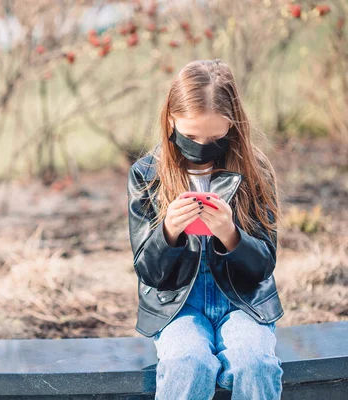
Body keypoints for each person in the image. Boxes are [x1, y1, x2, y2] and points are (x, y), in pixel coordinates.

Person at [127, 59, 284, 399]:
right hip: (178, 303)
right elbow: (148, 271)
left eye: (215, 136)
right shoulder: (147, 175)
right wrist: (168, 231)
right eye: (190, 135)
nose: (201, 146)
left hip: (243, 301)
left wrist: (231, 235)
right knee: (188, 362)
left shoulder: (256, 171)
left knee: (255, 362)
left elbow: (264, 265)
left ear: (233, 125)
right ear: (171, 119)